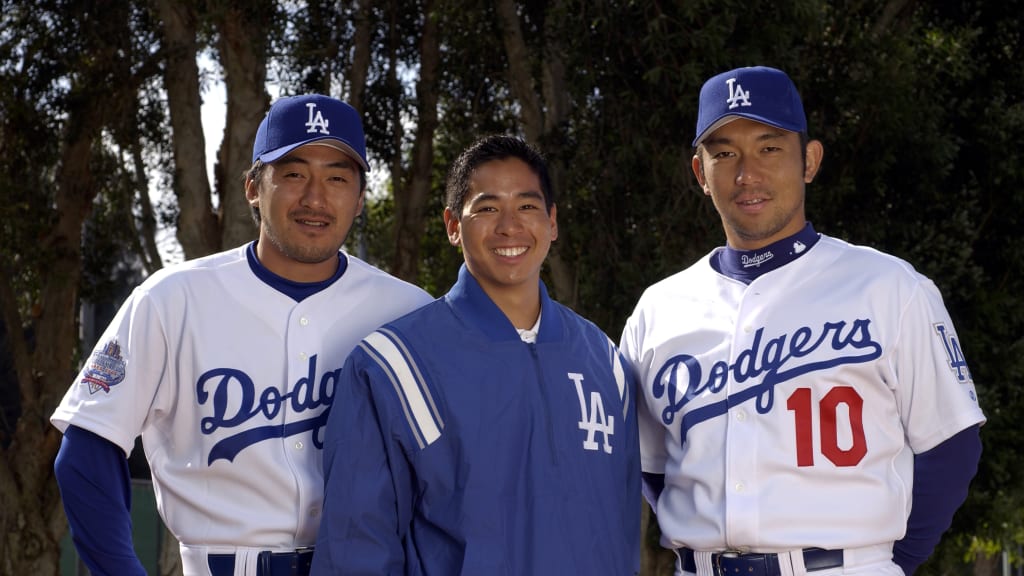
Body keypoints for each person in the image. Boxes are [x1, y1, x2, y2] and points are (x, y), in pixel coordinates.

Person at [619, 66, 985, 576]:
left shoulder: (889, 287)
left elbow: (952, 449)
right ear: (701, 174)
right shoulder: (658, 310)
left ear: (809, 161)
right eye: (724, 153)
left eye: (769, 148)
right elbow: (652, 469)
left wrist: (882, 561)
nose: (747, 173)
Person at [51, 94, 433, 576]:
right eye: (293, 174)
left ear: (360, 200)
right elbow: (86, 450)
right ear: (253, 186)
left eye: (337, 177)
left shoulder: (409, 312)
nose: (315, 198)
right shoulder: (172, 299)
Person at [310, 134, 641, 575]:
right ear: (452, 225)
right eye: (487, 208)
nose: (509, 226)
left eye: (527, 206)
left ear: (553, 222)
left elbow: (620, 530)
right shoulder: (392, 366)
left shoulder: (605, 361)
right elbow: (356, 551)